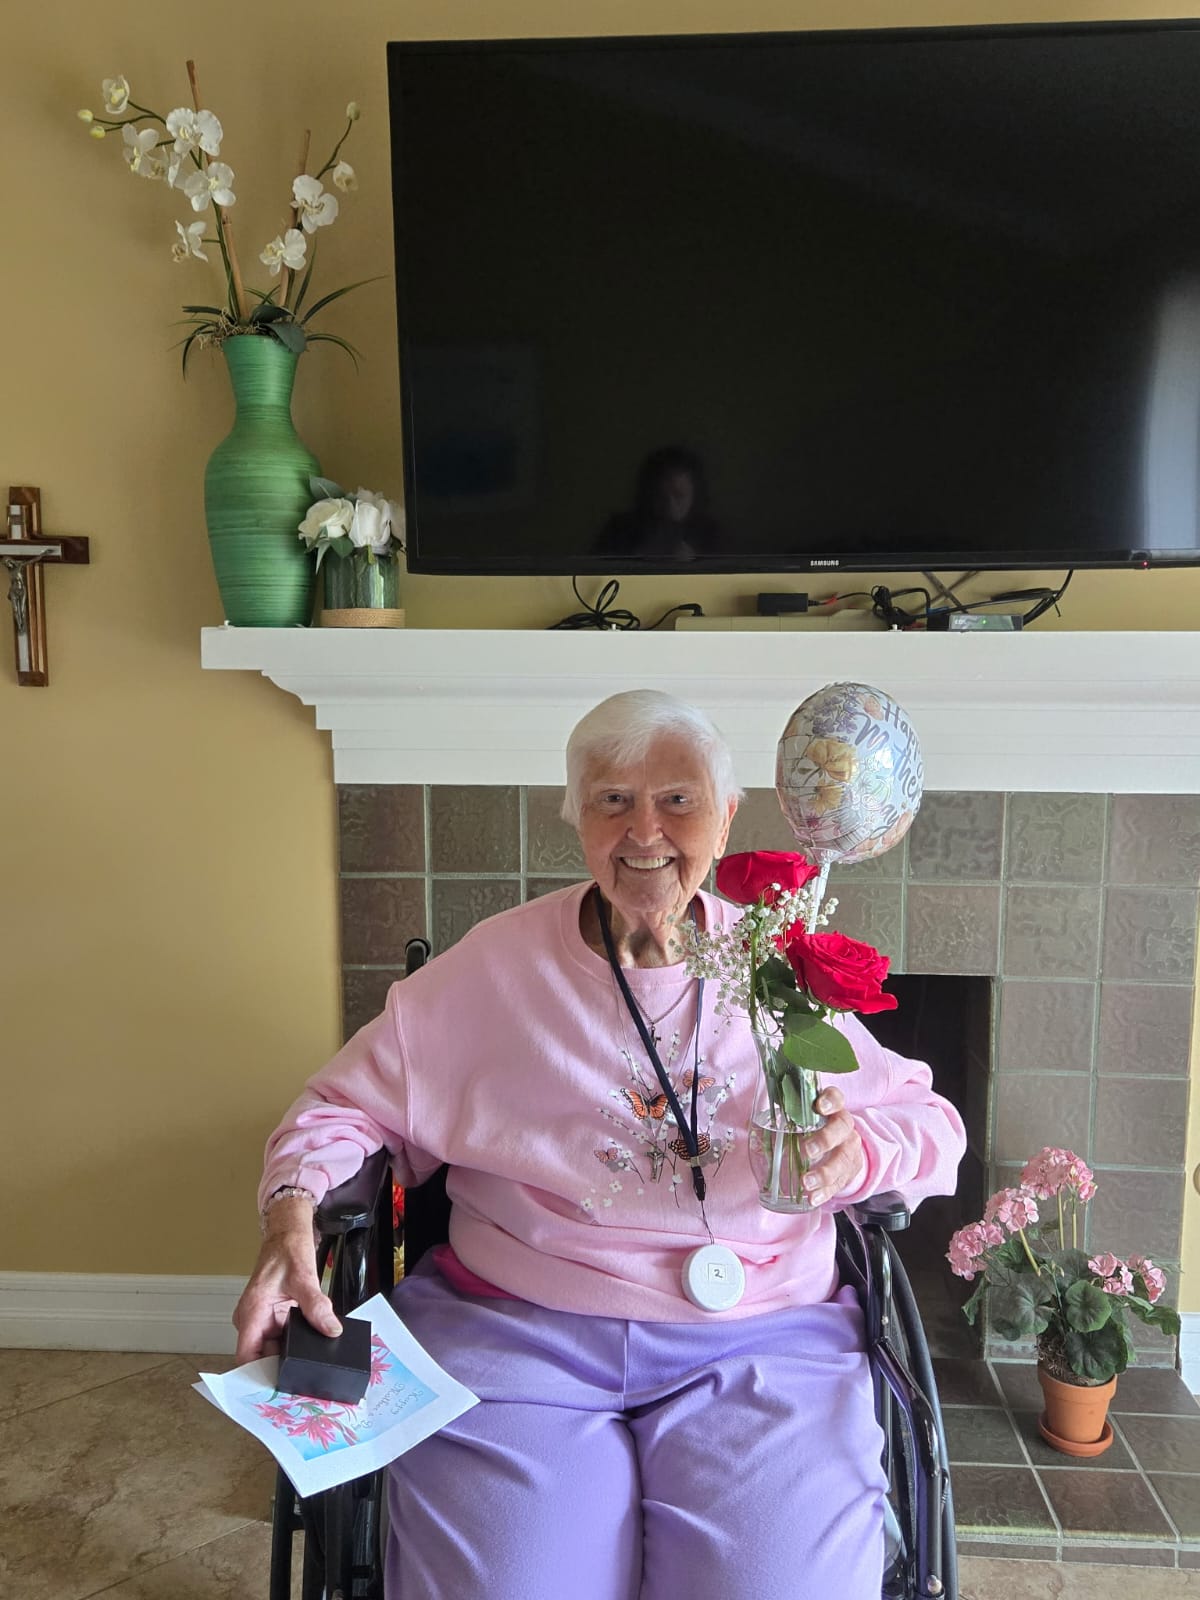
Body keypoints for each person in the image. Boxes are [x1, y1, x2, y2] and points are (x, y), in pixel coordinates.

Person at [234, 689, 965, 1600]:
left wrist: (863, 1157)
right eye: (612, 800)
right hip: (517, 1332)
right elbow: (340, 1110)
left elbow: (932, 1126)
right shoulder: (487, 972)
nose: (644, 831)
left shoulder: (783, 965)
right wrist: (291, 1214)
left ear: (728, 815)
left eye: (679, 800)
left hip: (764, 1343)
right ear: (576, 817)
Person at [596, 446, 722, 561]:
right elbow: (593, 572)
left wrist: (696, 564)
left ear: (696, 496)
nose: (669, 506)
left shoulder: (712, 534)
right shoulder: (618, 529)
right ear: (647, 493)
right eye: (660, 496)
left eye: (679, 496)